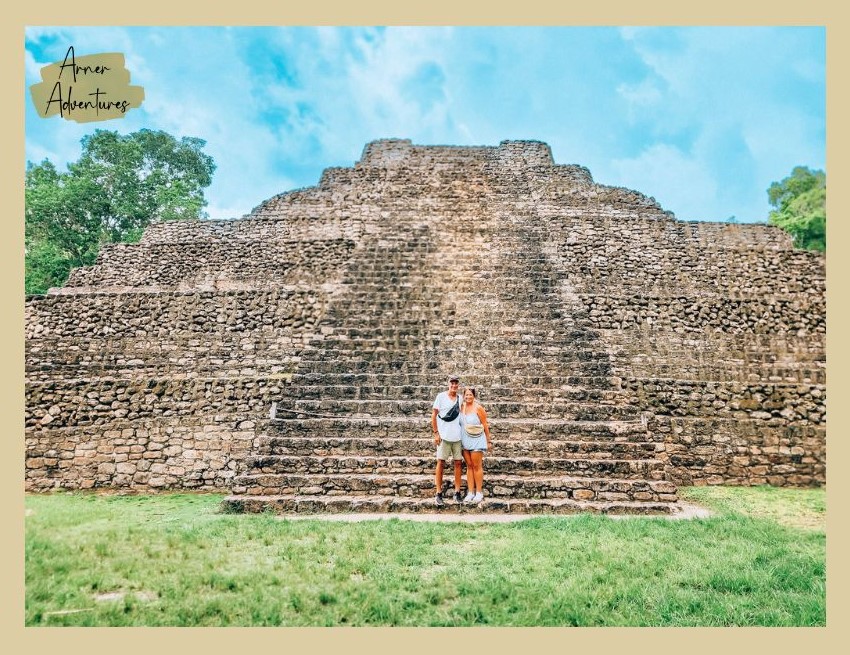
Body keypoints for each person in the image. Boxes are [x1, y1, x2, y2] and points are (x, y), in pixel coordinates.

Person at [431, 375, 464, 506]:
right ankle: (438, 493)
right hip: (444, 436)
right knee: (441, 463)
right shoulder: (440, 397)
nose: (454, 385)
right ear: (448, 384)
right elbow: (434, 415)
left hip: (457, 436)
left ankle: (457, 492)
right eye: (452, 383)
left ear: (458, 385)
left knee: (458, 463)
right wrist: (436, 433)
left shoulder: (460, 399)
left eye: (456, 383)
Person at [460, 386, 492, 504]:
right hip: (465, 438)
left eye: (470, 395)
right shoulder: (461, 407)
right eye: (466, 395)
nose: (468, 397)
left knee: (477, 465)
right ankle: (470, 492)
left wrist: (488, 441)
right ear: (463, 396)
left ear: (474, 396)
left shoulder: (478, 408)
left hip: (477, 438)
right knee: (469, 466)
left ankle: (478, 492)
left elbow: (485, 424)